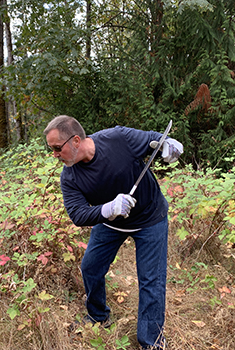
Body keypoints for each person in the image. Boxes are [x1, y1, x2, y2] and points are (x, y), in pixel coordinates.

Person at [43, 115, 183, 350]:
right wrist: (108, 209)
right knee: (90, 267)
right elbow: (78, 215)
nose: (54, 155)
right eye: (52, 150)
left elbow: (153, 140)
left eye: (57, 148)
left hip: (150, 219)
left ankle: (151, 342)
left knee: (151, 281)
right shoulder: (69, 177)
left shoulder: (118, 138)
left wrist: (168, 144)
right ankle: (98, 316)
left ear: (76, 140)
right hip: (110, 224)